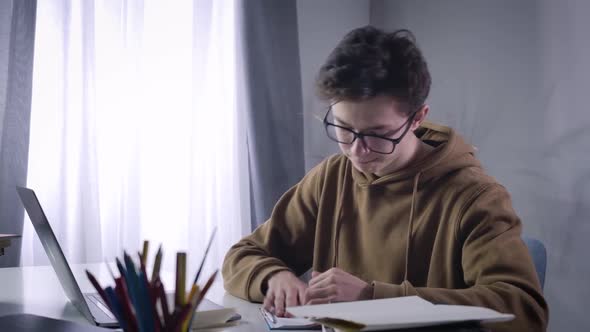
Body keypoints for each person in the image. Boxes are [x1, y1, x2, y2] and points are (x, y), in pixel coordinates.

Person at [222, 26, 548, 331]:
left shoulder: (474, 197)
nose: (357, 151)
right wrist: (273, 276)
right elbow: (242, 255)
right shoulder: (331, 178)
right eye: (343, 128)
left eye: (377, 134)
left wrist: (372, 298)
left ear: (418, 118)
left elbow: (522, 309)